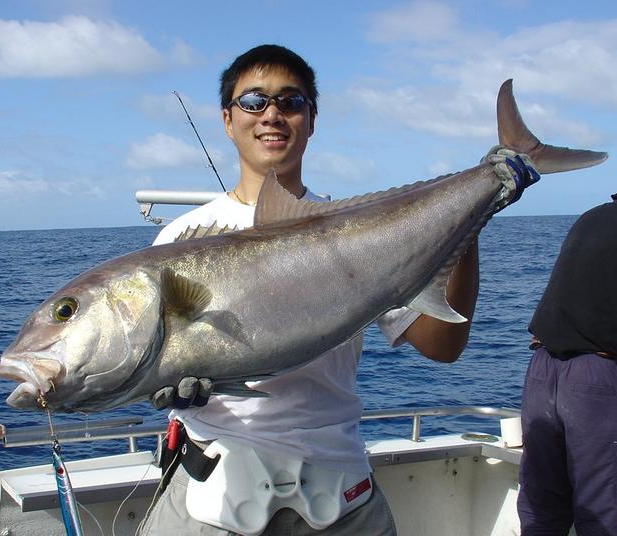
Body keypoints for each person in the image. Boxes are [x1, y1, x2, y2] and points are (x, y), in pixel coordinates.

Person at [139, 44, 532, 536]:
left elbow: (443, 344)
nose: (272, 114)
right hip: (212, 494)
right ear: (227, 119)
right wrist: (163, 381)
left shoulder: (360, 231)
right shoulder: (178, 242)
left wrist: (468, 218)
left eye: (291, 101)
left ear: (312, 119)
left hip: (338, 490)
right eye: (254, 101)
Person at [517, 195, 617, 535]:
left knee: (542, 509)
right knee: (605, 513)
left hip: (544, 371)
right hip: (597, 380)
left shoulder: (590, 218)